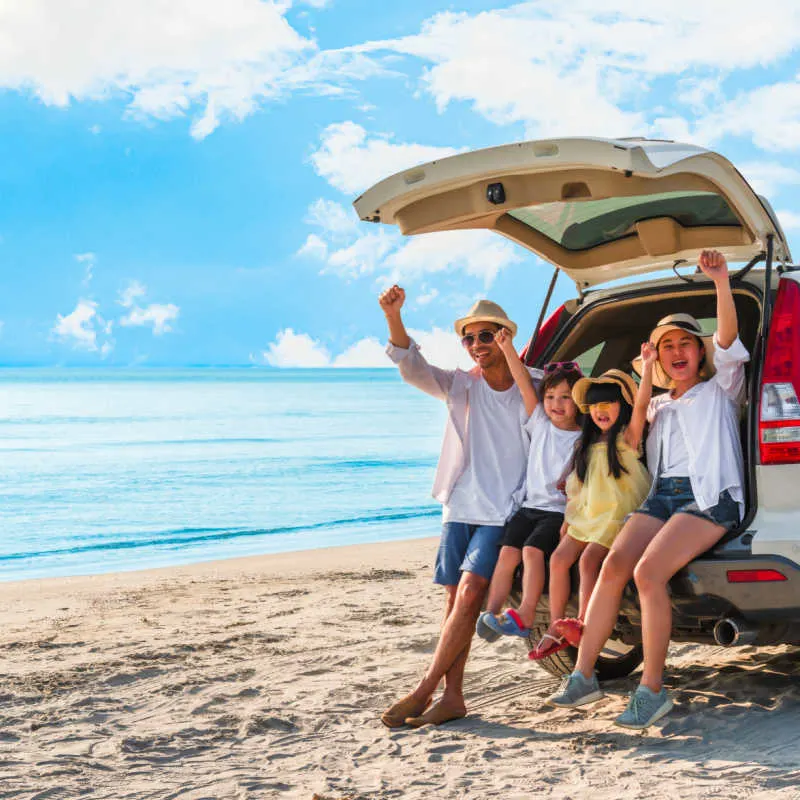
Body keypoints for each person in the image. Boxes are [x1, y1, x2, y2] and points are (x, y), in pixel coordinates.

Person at [546, 249, 748, 730]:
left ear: (700, 352)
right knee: (615, 565)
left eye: (686, 343)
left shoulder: (722, 387)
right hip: (662, 497)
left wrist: (720, 281)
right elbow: (628, 434)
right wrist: (641, 376)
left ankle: (652, 689)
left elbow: (727, 338)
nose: (678, 351)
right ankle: (583, 674)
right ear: (658, 357)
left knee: (649, 573)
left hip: (709, 495)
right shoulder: (657, 405)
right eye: (667, 345)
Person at [378, 285, 539, 728]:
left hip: (504, 511)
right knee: (455, 604)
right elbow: (412, 368)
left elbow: (567, 414)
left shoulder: (535, 383)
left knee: (470, 594)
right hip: (459, 505)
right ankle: (453, 697)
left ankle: (424, 689)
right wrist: (394, 317)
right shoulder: (461, 384)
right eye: (469, 338)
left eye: (486, 336)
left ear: (505, 336)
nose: (476, 346)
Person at [529, 362, 653, 661]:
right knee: (558, 559)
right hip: (587, 516)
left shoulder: (627, 438)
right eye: (594, 405)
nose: (600, 410)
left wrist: (647, 368)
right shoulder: (586, 445)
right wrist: (567, 520)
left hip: (617, 517)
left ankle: (583, 622)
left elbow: (643, 404)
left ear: (622, 406)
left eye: (608, 403)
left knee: (588, 562)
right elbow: (578, 487)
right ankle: (557, 625)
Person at [475, 340, 583, 644]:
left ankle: (525, 614)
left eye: (565, 397)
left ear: (579, 403)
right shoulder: (541, 423)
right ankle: (493, 612)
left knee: (533, 552)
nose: (556, 404)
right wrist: (507, 347)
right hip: (529, 507)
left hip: (557, 512)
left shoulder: (583, 438)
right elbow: (523, 382)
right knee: (507, 554)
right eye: (550, 396)